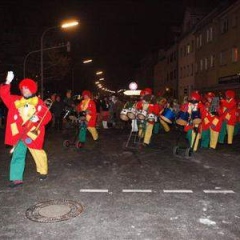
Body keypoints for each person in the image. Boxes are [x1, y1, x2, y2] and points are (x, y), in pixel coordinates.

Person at [0, 71, 52, 187]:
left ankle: (43, 171)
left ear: (32, 89)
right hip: (19, 134)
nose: (24, 90)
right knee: (18, 154)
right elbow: (4, 95)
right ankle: (16, 178)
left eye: (27, 88)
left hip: (32, 133)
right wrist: (7, 82)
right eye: (22, 88)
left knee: (37, 153)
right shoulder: (16, 101)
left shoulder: (39, 102)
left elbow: (47, 116)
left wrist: (37, 119)